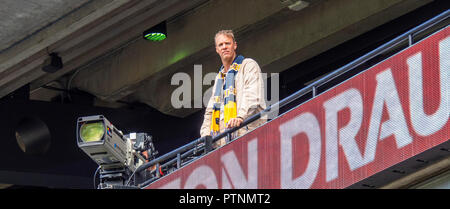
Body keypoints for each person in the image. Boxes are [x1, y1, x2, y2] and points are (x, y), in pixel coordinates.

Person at [200, 30, 267, 148]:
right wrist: (205, 135)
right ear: (217, 50)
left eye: (227, 43)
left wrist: (240, 117)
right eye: (221, 45)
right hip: (225, 143)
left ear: (234, 45)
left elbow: (252, 95)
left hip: (250, 135)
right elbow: (210, 111)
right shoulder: (219, 78)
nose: (224, 47)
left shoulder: (248, 65)